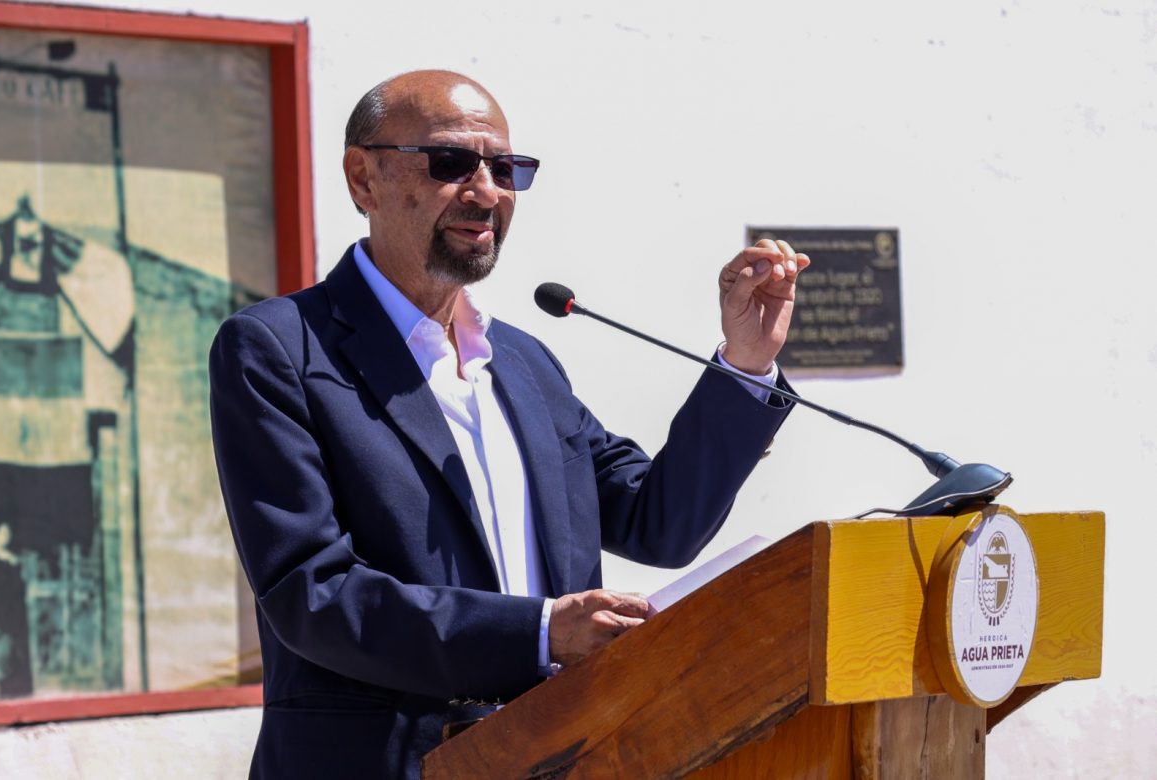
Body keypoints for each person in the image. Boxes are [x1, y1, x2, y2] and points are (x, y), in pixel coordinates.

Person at [209, 69, 810, 779]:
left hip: (559, 755)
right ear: (362, 179)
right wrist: (539, 632)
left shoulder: (524, 363)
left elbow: (660, 524)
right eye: (453, 162)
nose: (487, 190)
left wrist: (744, 364)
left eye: (507, 168)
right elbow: (311, 594)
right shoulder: (278, 348)